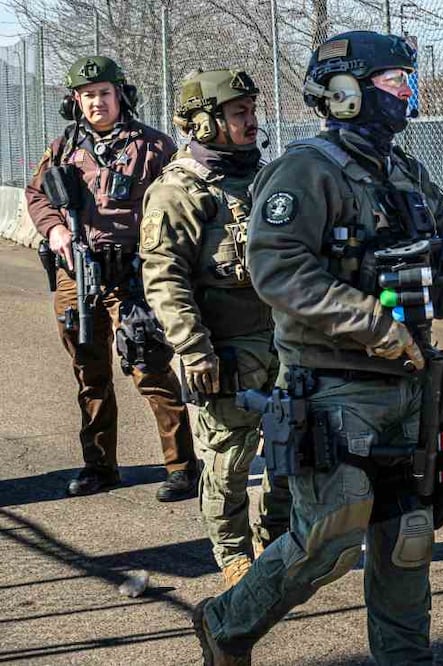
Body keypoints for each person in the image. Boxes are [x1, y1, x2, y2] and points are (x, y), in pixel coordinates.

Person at [190, 31, 443, 665]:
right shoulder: (304, 170)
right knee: (329, 538)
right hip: (332, 384)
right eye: (395, 81)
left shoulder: (402, 170)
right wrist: (376, 324)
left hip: (410, 385)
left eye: (407, 81)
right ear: (344, 92)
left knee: (408, 538)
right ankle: (226, 624)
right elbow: (279, 267)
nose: (407, 93)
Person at [140, 68, 293, 588]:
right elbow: (164, 277)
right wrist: (193, 349)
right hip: (226, 349)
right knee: (228, 457)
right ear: (205, 124)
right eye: (238, 113)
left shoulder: (269, 178)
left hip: (286, 341)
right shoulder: (179, 191)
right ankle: (232, 553)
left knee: (292, 447)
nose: (252, 121)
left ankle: (280, 539)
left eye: (252, 110)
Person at [26, 55, 197, 501]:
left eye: (104, 93)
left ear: (121, 95)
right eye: (87, 96)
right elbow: (36, 194)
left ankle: (182, 467)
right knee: (90, 371)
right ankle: (99, 466)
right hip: (75, 275)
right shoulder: (64, 147)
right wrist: (56, 229)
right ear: (75, 102)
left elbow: (184, 195)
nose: (96, 103)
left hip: (132, 275)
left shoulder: (153, 146)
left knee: (150, 367)